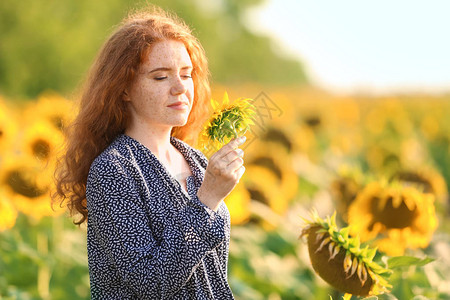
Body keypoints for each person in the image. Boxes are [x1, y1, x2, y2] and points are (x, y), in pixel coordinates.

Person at [54, 7, 246, 299]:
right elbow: (150, 283)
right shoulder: (113, 170)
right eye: (160, 77)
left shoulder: (196, 161)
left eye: (186, 74)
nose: (180, 87)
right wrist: (207, 199)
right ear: (123, 89)